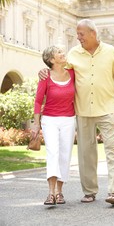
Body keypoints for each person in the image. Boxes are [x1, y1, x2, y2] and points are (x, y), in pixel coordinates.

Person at [38, 19, 114, 206]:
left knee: (112, 149)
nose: (78, 38)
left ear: (93, 33)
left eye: (81, 34)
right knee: (86, 153)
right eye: (77, 34)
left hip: (107, 108)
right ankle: (90, 191)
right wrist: (44, 71)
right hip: (83, 110)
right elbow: (58, 69)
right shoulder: (73, 54)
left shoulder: (111, 52)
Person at [32, 45, 76, 205]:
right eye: (59, 52)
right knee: (53, 152)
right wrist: (36, 124)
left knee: (65, 154)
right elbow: (38, 101)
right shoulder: (45, 77)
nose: (63, 53)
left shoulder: (72, 73)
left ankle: (60, 192)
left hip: (69, 120)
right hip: (49, 119)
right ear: (51, 60)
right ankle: (50, 193)